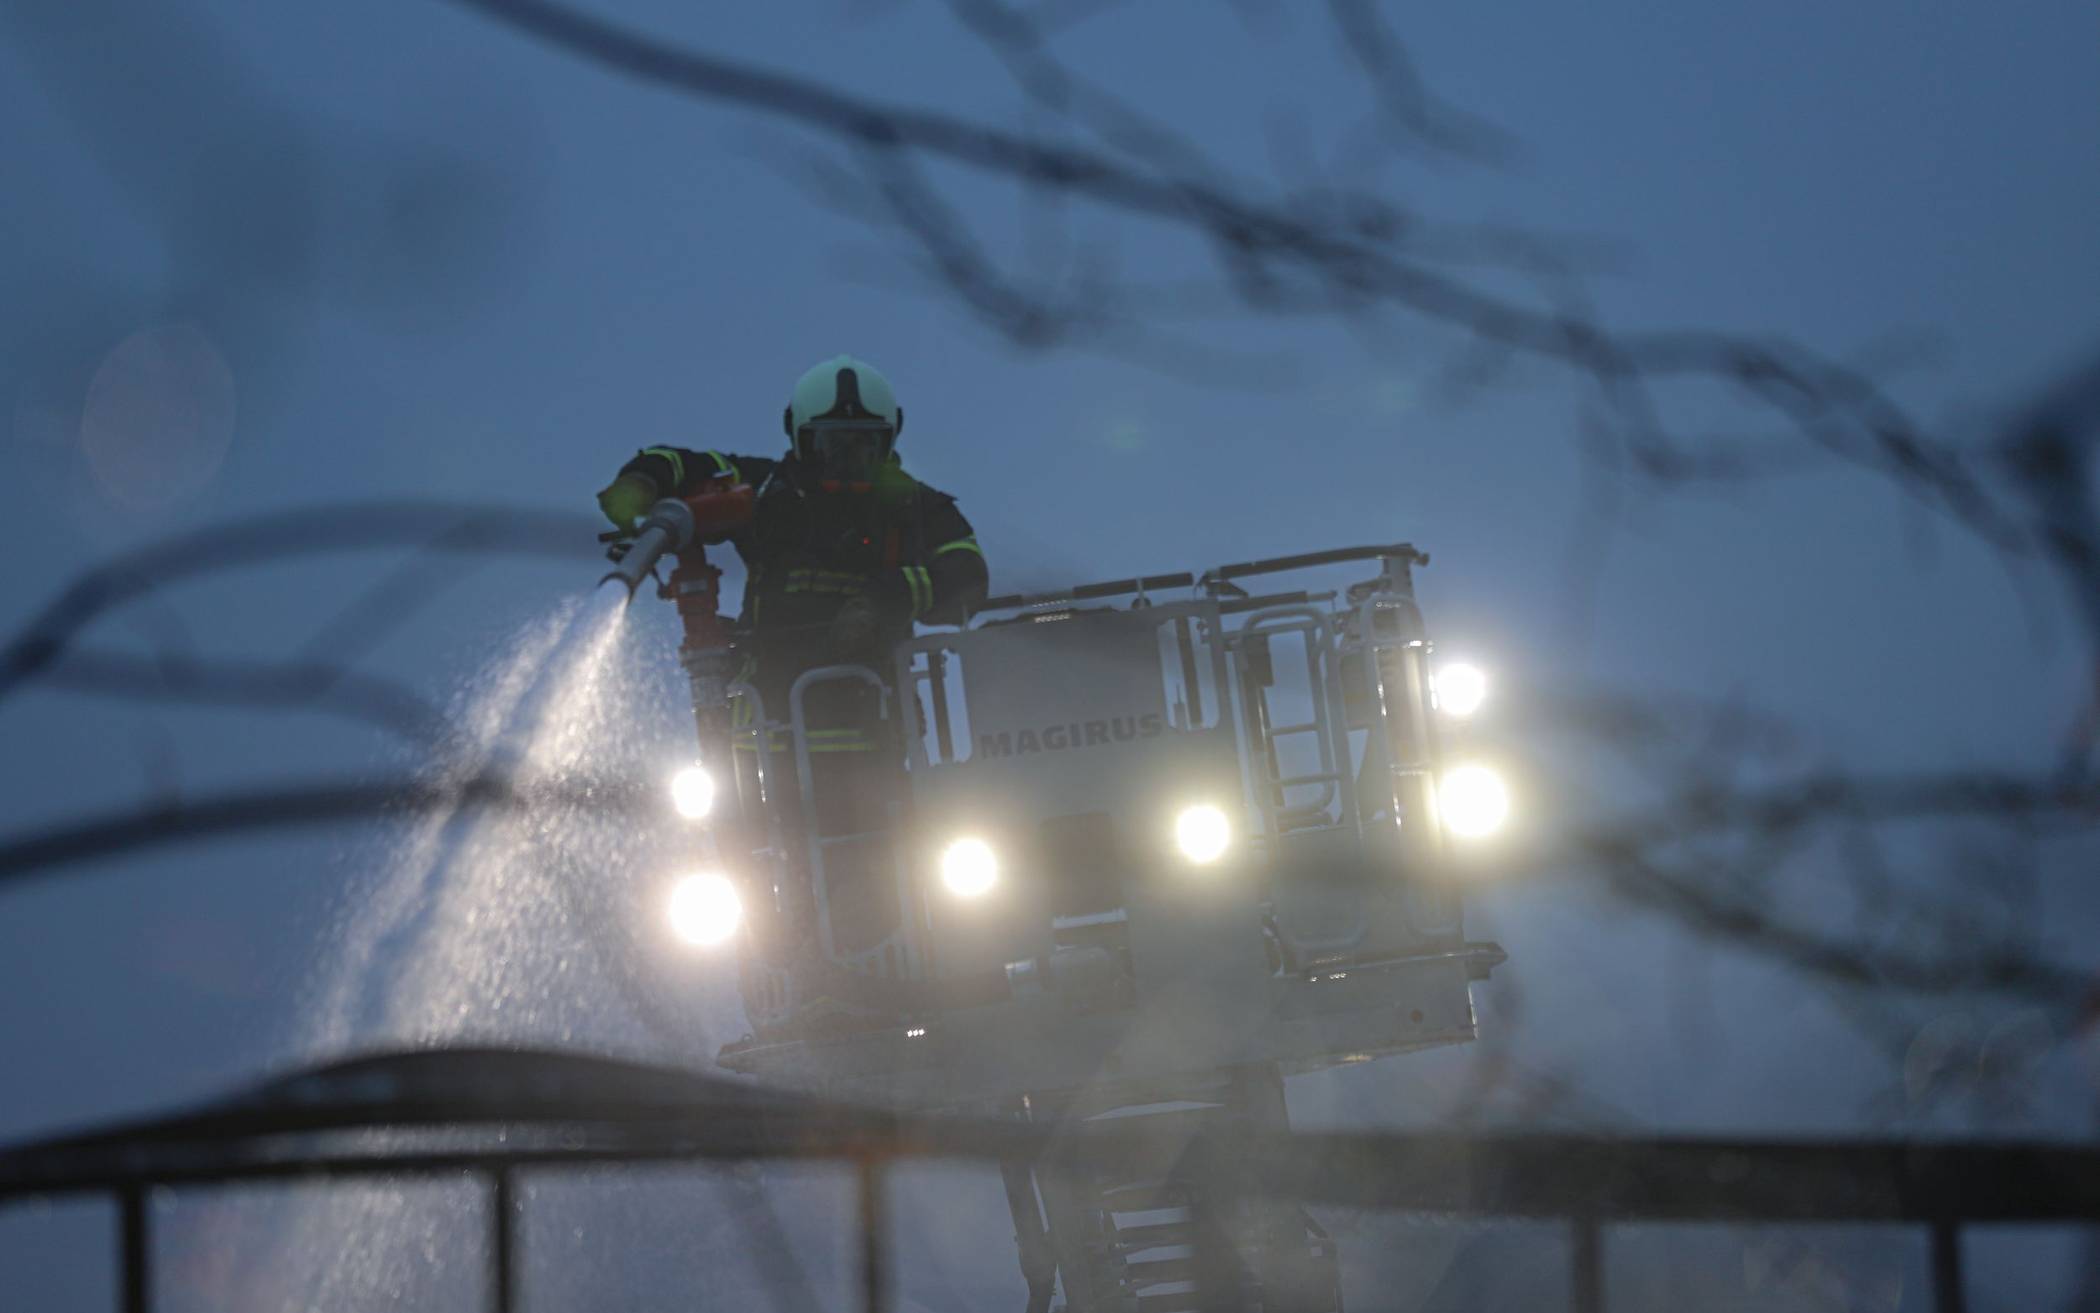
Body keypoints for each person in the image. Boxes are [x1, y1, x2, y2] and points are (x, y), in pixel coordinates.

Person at [595, 355, 987, 958]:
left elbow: (966, 574)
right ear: (799, 438)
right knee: (774, 883)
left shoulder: (917, 508)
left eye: (862, 446)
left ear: (890, 440)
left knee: (878, 873)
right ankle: (805, 981)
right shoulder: (769, 493)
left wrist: (887, 596)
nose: (847, 462)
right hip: (770, 738)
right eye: (831, 445)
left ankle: (882, 974)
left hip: (872, 736)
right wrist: (644, 481)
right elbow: (691, 466)